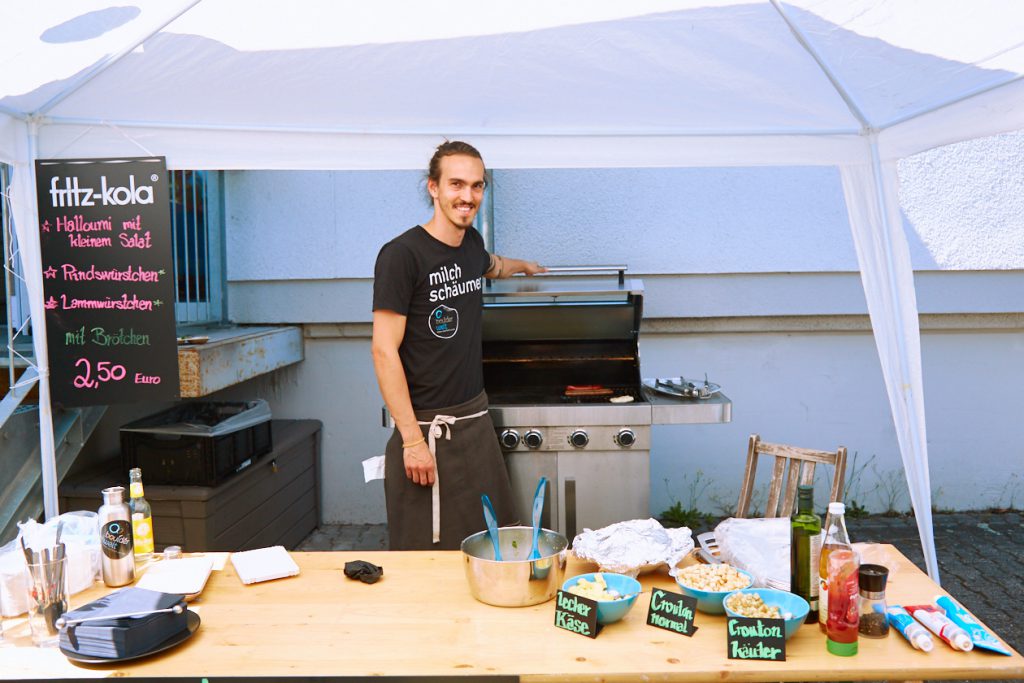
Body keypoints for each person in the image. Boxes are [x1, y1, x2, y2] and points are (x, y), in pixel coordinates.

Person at [372, 141, 545, 550]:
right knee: (427, 555)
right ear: (433, 187)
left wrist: (526, 267)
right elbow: (383, 351)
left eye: (477, 186)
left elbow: (492, 265)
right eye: (456, 184)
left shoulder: (470, 246)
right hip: (429, 431)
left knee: (492, 546)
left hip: (476, 421)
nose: (467, 196)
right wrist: (412, 441)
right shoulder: (401, 255)